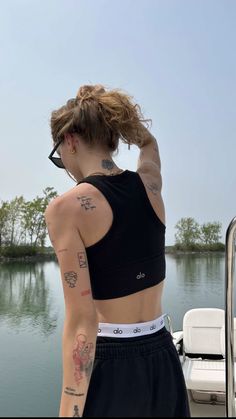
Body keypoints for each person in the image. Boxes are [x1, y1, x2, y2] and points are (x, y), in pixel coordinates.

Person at [45, 84, 191, 417]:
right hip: (163, 354)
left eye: (59, 157)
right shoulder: (150, 184)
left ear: (69, 140)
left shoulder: (66, 208)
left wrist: (70, 409)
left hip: (113, 366)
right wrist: (121, 120)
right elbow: (149, 144)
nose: (64, 164)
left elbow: (82, 324)